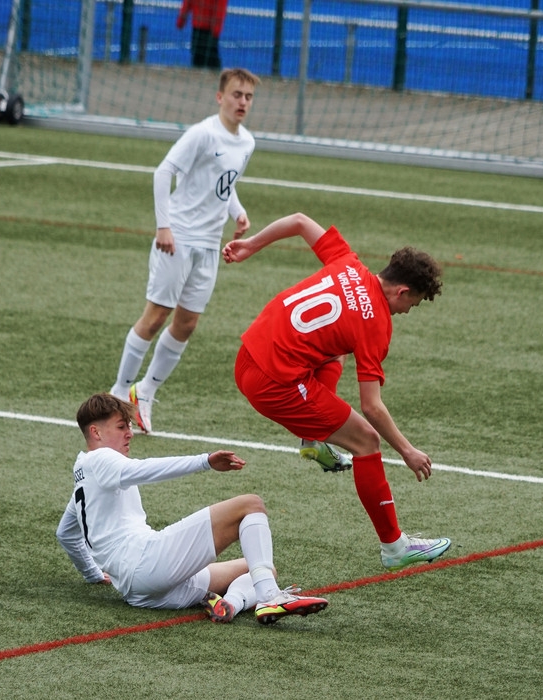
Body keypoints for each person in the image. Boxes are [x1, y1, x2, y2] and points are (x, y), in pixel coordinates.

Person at [222, 213, 453, 571]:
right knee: (366, 441)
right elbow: (371, 407)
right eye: (414, 303)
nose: (409, 311)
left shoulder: (348, 262)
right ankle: (394, 546)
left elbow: (300, 221)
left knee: (336, 348)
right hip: (275, 383)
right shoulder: (376, 324)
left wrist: (251, 245)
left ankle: (313, 440)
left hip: (249, 354)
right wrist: (407, 450)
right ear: (402, 291)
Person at [56, 393, 328, 625]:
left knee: (261, 570)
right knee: (250, 504)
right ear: (96, 432)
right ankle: (270, 598)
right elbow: (140, 470)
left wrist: (93, 574)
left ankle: (231, 604)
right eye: (121, 427)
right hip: (147, 563)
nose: (129, 433)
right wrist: (205, 461)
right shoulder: (101, 458)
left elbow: (66, 534)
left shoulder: (84, 479)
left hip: (140, 593)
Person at [109, 68, 259, 434]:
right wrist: (164, 226)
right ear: (220, 97)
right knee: (155, 317)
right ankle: (118, 394)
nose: (242, 102)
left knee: (187, 323)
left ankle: (145, 392)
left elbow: (225, 184)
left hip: (209, 245)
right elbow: (163, 172)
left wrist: (237, 212)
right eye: (236, 94)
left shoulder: (247, 142)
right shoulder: (202, 134)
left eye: (248, 97)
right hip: (178, 237)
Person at [176, 0, 229, 69]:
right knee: (211, 60)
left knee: (198, 59)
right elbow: (220, 7)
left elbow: (187, 3)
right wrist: (216, 29)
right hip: (209, 29)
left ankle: (198, 74)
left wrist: (181, 21)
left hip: (198, 27)